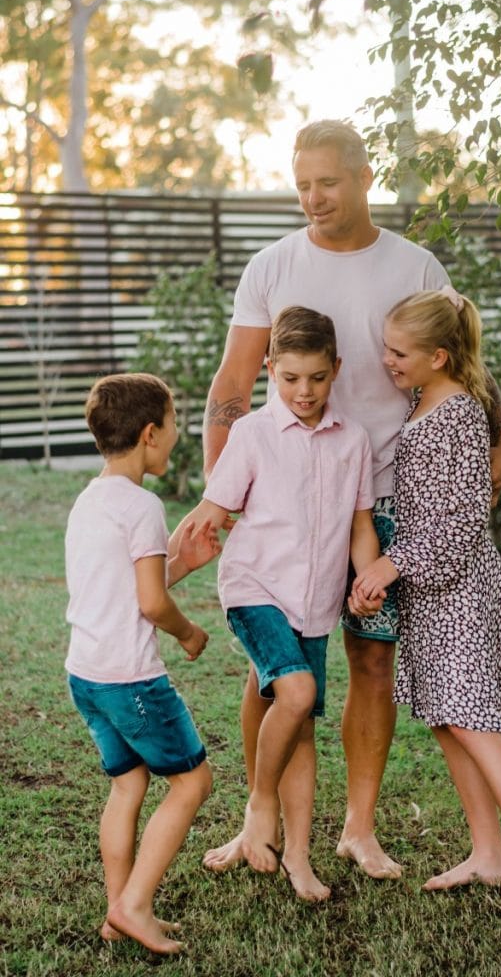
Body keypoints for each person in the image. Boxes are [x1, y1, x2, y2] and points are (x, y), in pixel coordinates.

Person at [202, 119, 501, 880]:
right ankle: (262, 819)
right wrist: (226, 495)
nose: (312, 197)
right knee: (272, 672)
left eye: (327, 182)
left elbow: (462, 366)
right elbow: (232, 386)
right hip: (288, 506)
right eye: (301, 183)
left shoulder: (412, 262)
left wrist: (497, 448)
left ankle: (358, 828)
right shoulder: (270, 266)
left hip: (382, 504)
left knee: (372, 666)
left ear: (364, 176)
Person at [350, 289, 501, 924]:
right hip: (430, 593)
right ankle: (488, 853)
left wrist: (389, 565)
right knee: (446, 719)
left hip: (457, 591)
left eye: (398, 352)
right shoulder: (426, 398)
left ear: (439, 356)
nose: (387, 360)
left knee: (474, 724)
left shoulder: (459, 416)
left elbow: (462, 520)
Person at [171, 306, 382, 900]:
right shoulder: (253, 434)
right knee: (298, 692)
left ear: (336, 369)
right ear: (269, 370)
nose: (304, 391)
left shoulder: (354, 441)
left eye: (317, 378)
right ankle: (260, 807)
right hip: (254, 589)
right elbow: (211, 515)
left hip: (314, 602)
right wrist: (159, 573)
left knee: (300, 728)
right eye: (290, 379)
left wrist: (366, 580)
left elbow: (361, 525)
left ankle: (298, 856)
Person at [64, 373, 219, 955]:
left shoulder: (90, 499)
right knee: (192, 783)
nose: (177, 435)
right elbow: (151, 604)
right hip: (131, 677)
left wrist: (183, 562)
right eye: (175, 423)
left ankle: (117, 911)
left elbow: (127, 588)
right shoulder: (143, 505)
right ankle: (133, 905)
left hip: (87, 673)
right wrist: (190, 632)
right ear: (151, 433)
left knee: (128, 785)